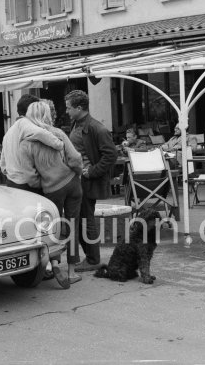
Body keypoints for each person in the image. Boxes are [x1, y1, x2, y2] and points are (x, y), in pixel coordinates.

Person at [23, 100, 84, 285]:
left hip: (51, 189)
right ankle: (72, 271)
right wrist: (78, 173)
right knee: (72, 225)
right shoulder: (58, 133)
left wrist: (44, 182)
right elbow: (75, 158)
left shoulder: (27, 142)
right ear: (47, 115)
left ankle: (54, 263)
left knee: (52, 229)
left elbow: (30, 175)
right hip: (71, 182)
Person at [66, 90, 117, 272]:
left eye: (69, 108)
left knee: (87, 220)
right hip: (78, 180)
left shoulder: (97, 128)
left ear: (79, 108)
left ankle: (93, 259)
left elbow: (111, 155)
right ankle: (91, 257)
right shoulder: (76, 124)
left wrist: (91, 172)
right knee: (81, 220)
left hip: (87, 181)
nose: (66, 111)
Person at [0, 94, 64, 194]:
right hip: (26, 184)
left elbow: (3, 165)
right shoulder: (25, 123)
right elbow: (40, 133)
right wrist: (59, 143)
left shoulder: (10, 131)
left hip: (11, 182)